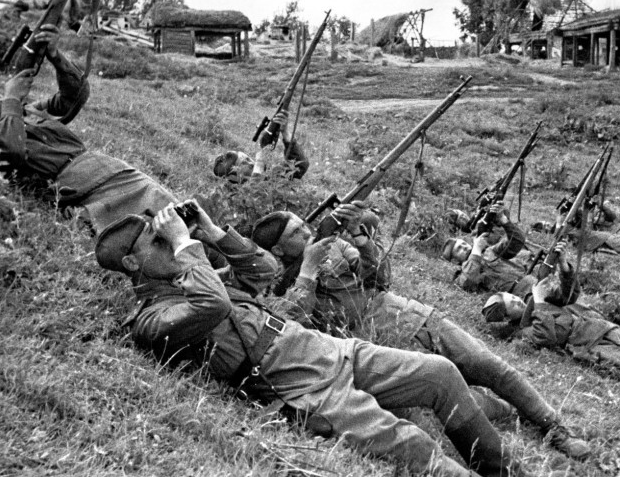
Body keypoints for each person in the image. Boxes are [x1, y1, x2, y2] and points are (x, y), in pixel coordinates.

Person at [96, 201, 524, 477]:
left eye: (165, 238)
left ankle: (499, 469)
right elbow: (213, 307)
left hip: (323, 349)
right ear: (132, 262)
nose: (168, 245)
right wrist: (184, 244)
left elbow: (263, 271)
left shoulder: (198, 272)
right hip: (296, 384)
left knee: (440, 373)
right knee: (413, 444)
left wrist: (210, 233)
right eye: (157, 243)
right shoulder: (151, 319)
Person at [250, 206, 591, 461]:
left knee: (489, 366)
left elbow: (380, 280)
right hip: (383, 348)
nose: (307, 232)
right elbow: (293, 327)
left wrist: (362, 243)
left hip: (414, 317)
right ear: (279, 251)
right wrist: (308, 269)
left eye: (303, 224)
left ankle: (555, 426)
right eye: (296, 234)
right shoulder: (278, 290)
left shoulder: (332, 247)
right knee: (454, 393)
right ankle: (500, 413)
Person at [0, 28, 175, 233]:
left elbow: (74, 97)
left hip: (107, 170)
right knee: (165, 216)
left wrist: (55, 56)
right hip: (87, 188)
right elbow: (12, 151)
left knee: (176, 212)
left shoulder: (28, 112)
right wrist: (11, 98)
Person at [519, 262, 620, 393]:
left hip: (600, 326)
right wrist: (539, 303)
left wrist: (564, 267)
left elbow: (569, 295)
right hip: (586, 344)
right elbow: (547, 338)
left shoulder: (546, 300)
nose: (516, 301)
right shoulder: (527, 324)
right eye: (512, 301)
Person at [443, 202, 536, 297]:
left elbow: (517, 242)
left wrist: (504, 220)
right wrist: (476, 251)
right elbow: (469, 283)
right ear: (454, 261)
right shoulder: (461, 276)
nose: (465, 247)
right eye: (459, 249)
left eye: (463, 244)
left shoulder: (489, 251)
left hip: (531, 282)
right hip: (518, 297)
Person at [212, 111, 309, 185]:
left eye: (247, 158)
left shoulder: (267, 176)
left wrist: (285, 133)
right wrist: (259, 164)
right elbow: (256, 193)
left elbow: (300, 166)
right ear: (234, 176)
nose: (251, 162)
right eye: (243, 163)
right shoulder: (237, 197)